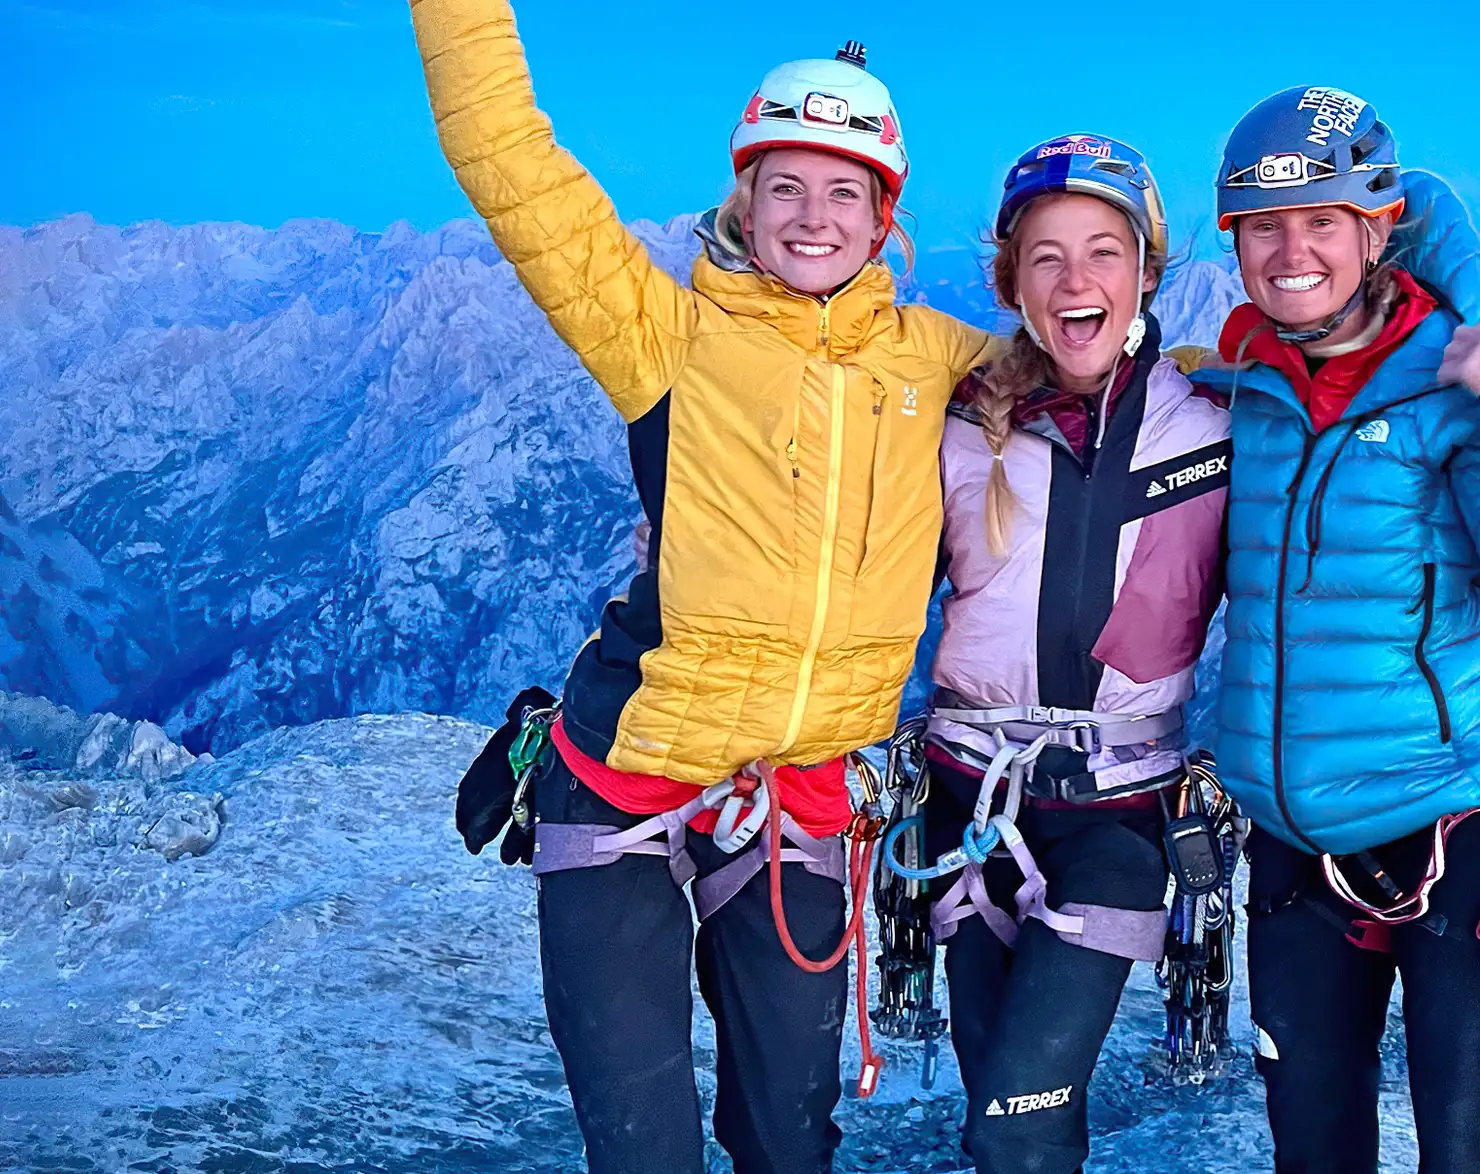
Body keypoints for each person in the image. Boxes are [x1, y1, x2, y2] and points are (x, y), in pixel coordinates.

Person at [408, 4, 997, 1172]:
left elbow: (1089, 383)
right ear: (742, 201)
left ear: (885, 214)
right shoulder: (662, 336)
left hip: (795, 802)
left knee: (790, 1137)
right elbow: (515, 170)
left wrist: (1218, 368)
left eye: (845, 192)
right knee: (645, 1148)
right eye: (784, 188)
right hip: (619, 785)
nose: (812, 217)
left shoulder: (936, 363)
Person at [1192, 87, 1480, 1173]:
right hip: (1293, 837)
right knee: (1310, 1146)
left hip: (1457, 824)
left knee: (1467, 1151)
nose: (1292, 252)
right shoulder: (1235, 387)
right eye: (1263, 228)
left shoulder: (1451, 383)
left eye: (1322, 222)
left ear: (1376, 230)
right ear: (1234, 242)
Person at [887, 134, 1230, 1174]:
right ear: (1009, 282)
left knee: (1018, 1119)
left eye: (1101, 252)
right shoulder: (952, 430)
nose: (1073, 280)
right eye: (1043, 257)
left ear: (1146, 273)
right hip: (965, 811)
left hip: (1119, 820)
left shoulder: (1219, 429)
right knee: (1002, 1124)